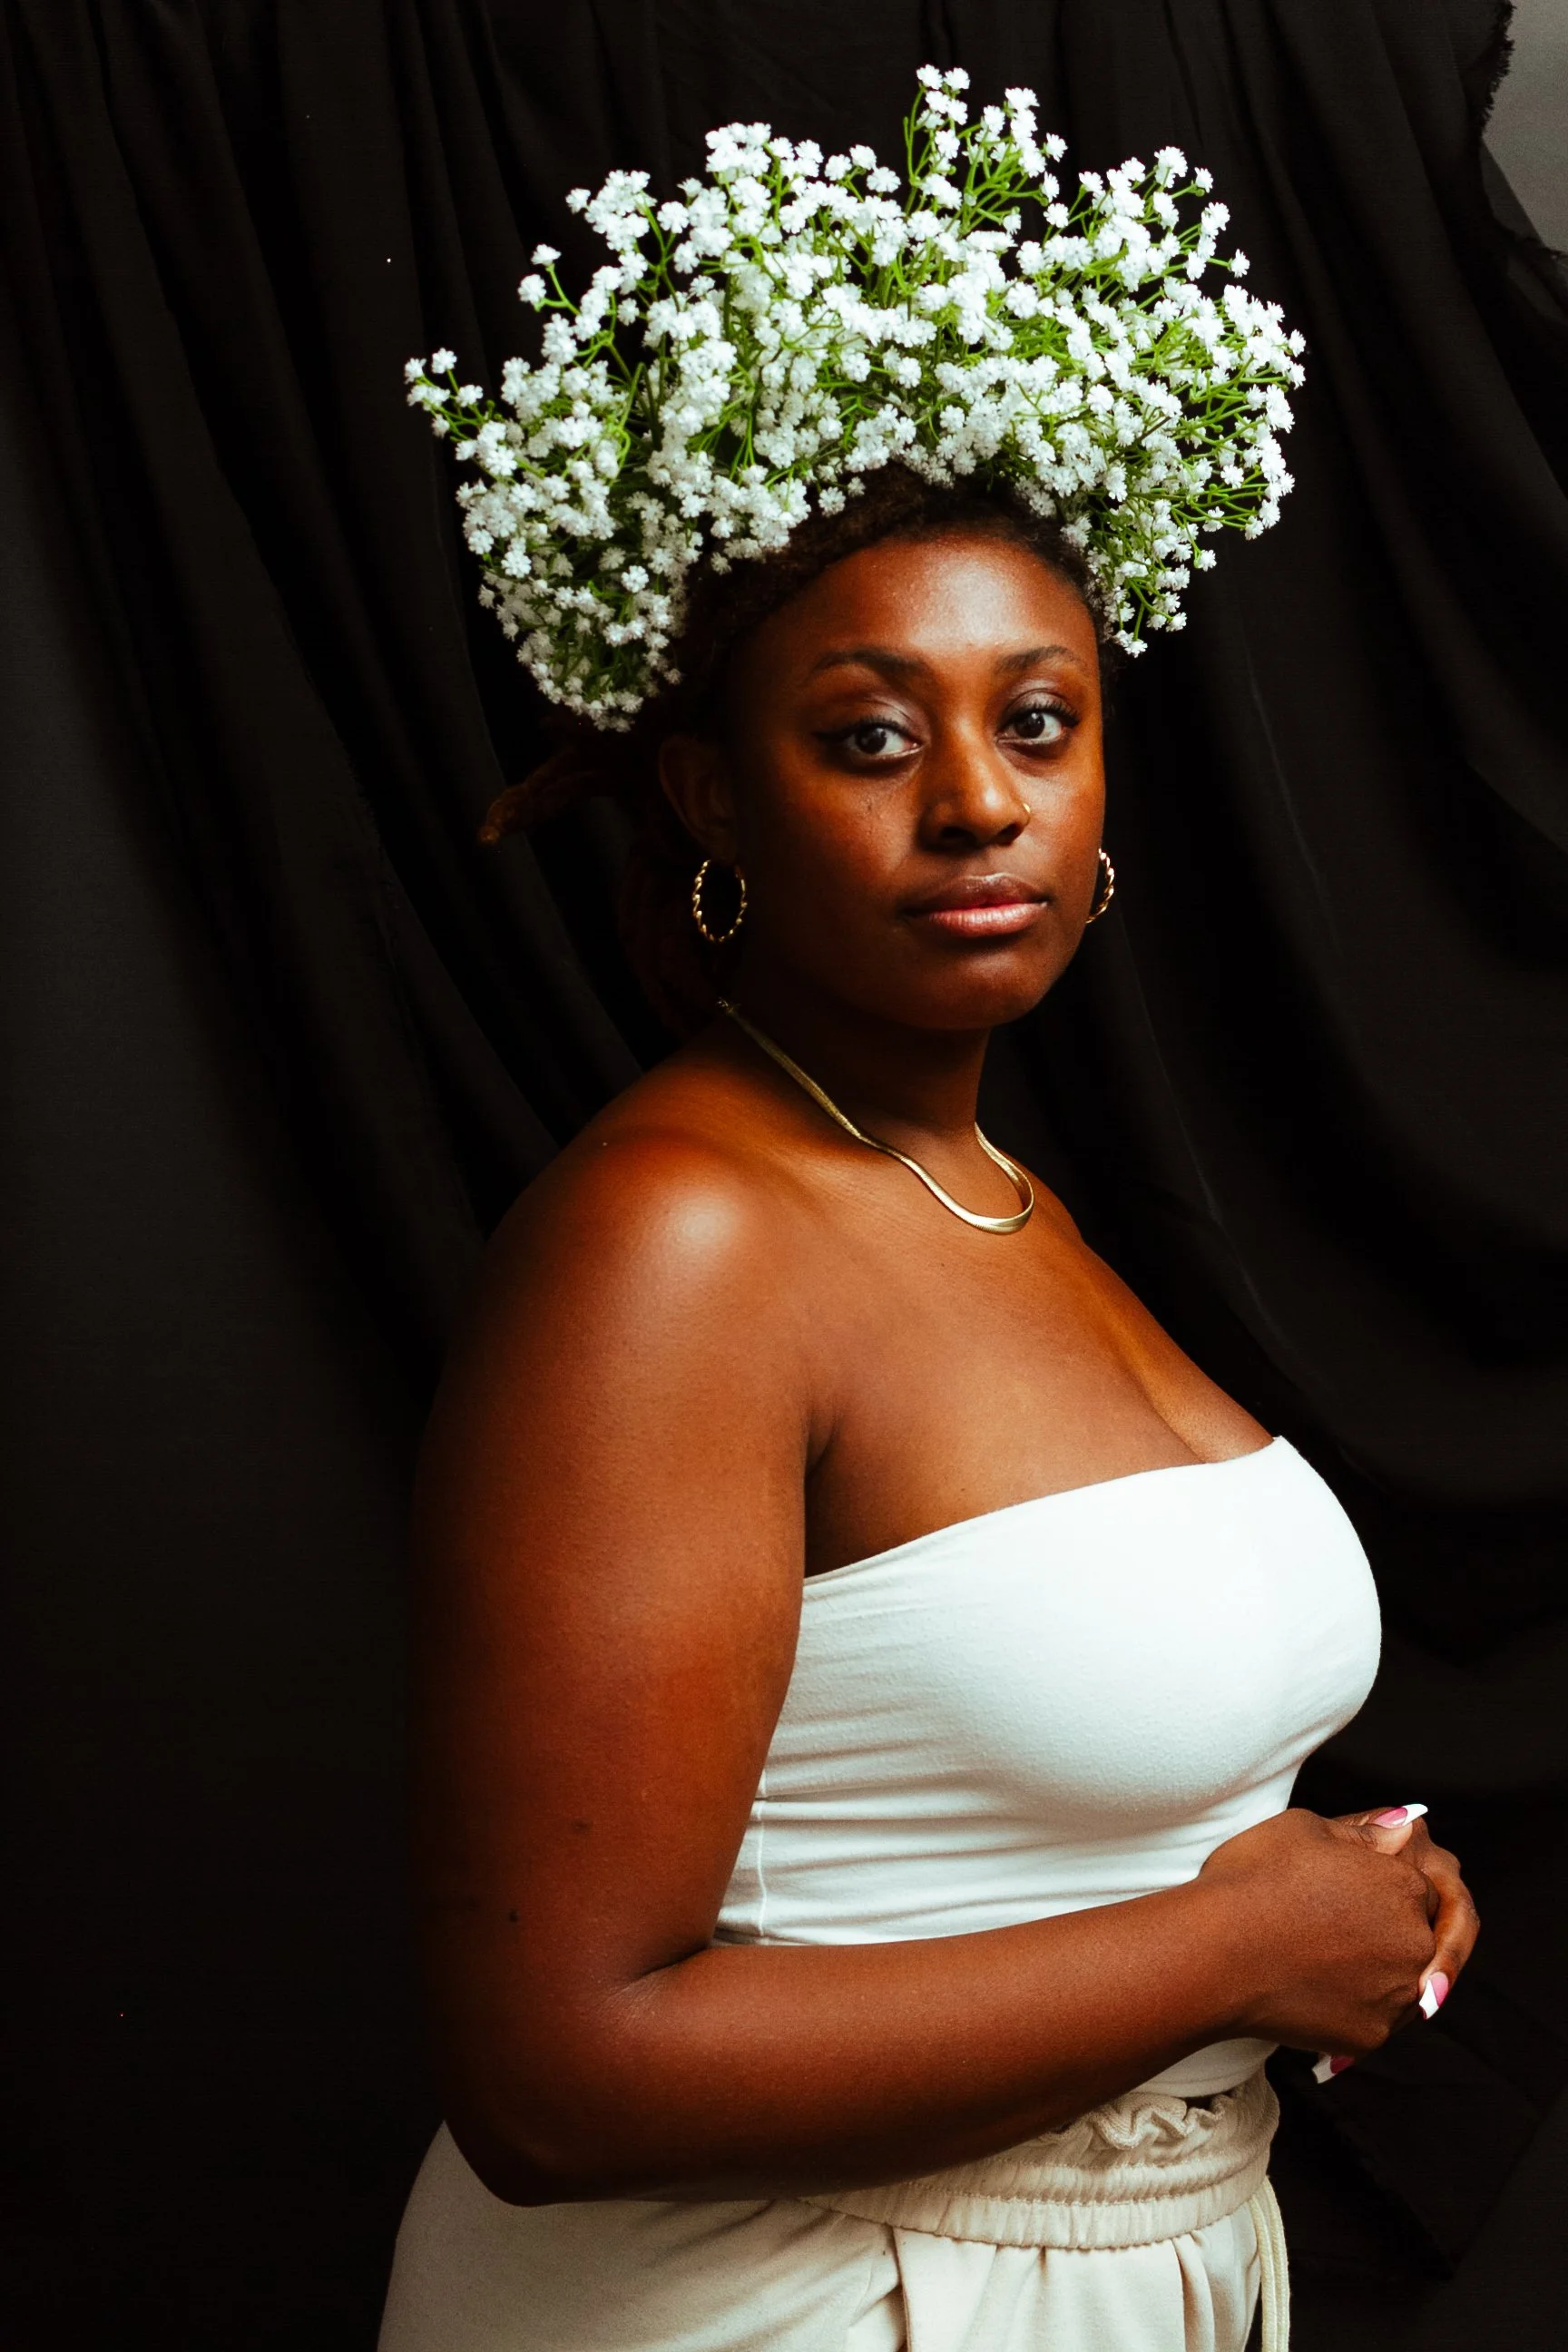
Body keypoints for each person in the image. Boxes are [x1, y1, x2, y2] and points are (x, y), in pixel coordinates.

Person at [380, 75, 1478, 2352]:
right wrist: (1244, 1949)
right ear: (710, 791)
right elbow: (554, 2072)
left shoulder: (990, 1195)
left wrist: (1336, 1919)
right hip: (792, 2301)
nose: (977, 802)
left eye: (1041, 720)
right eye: (870, 737)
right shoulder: (675, 1241)